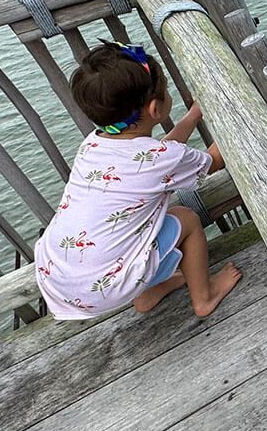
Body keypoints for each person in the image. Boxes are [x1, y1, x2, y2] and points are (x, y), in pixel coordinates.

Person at [34, 41, 241, 320]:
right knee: (187, 220)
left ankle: (147, 295)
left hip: (59, 278)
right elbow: (211, 161)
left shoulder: (94, 144)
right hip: (104, 286)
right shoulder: (160, 159)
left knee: (136, 231)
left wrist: (193, 115)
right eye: (166, 90)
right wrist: (234, 117)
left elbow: (158, 157)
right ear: (155, 109)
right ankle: (205, 297)